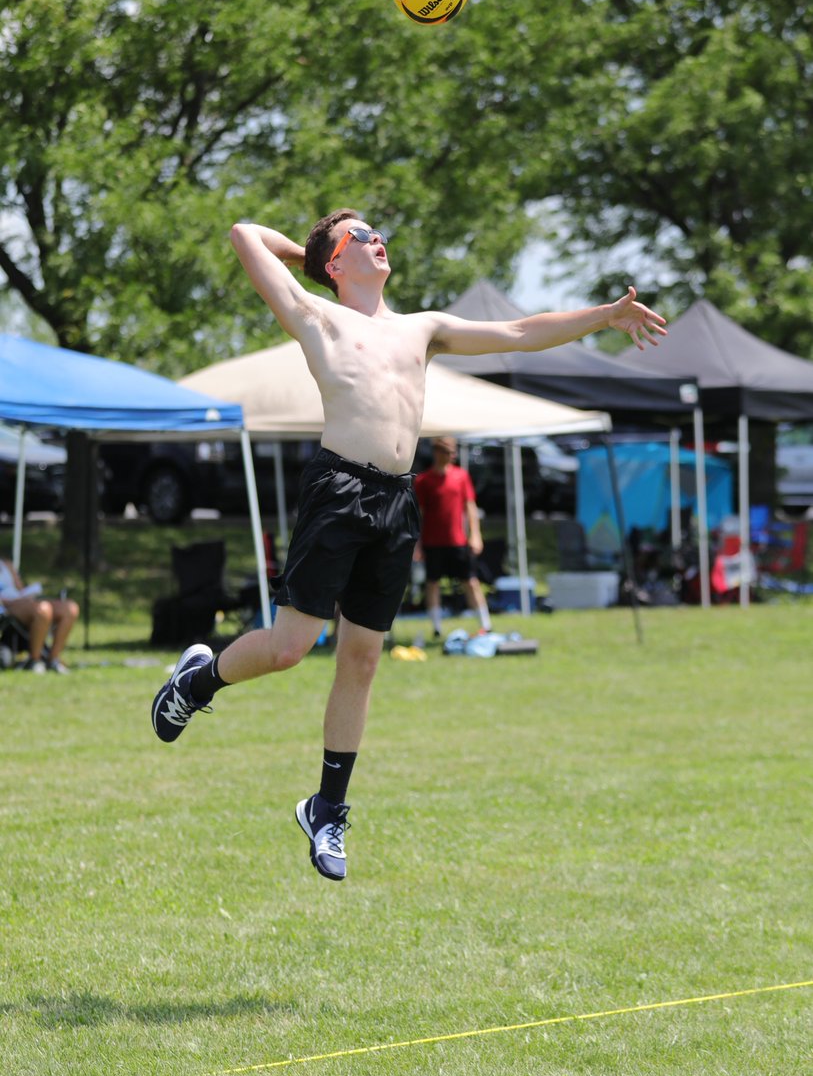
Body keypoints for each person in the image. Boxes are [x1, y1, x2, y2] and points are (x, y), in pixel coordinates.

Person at [151, 209, 667, 881]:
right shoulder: (315, 315)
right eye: (360, 235)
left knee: (362, 659)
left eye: (378, 233)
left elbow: (518, 332)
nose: (377, 240)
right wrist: (312, 256)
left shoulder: (422, 328)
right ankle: (197, 680)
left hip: (396, 499)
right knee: (288, 649)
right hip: (337, 491)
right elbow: (244, 234)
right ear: (335, 263)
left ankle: (326, 809)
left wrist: (602, 316)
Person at [414, 437, 492, 638]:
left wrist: (475, 535)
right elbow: (419, 514)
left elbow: (470, 507)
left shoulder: (461, 476)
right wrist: (417, 545)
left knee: (471, 581)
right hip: (432, 542)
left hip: (458, 541)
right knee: (432, 583)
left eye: (453, 452)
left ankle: (486, 625)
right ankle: (436, 627)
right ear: (437, 453)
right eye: (447, 452)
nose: (452, 456)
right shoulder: (423, 480)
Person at [0, 557, 80, 674]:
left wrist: (28, 595)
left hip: (21, 601)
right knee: (43, 610)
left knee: (70, 608)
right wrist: (9, 601)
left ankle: (53, 659)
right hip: (6, 607)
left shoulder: (6, 564)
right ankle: (35, 661)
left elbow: (20, 590)